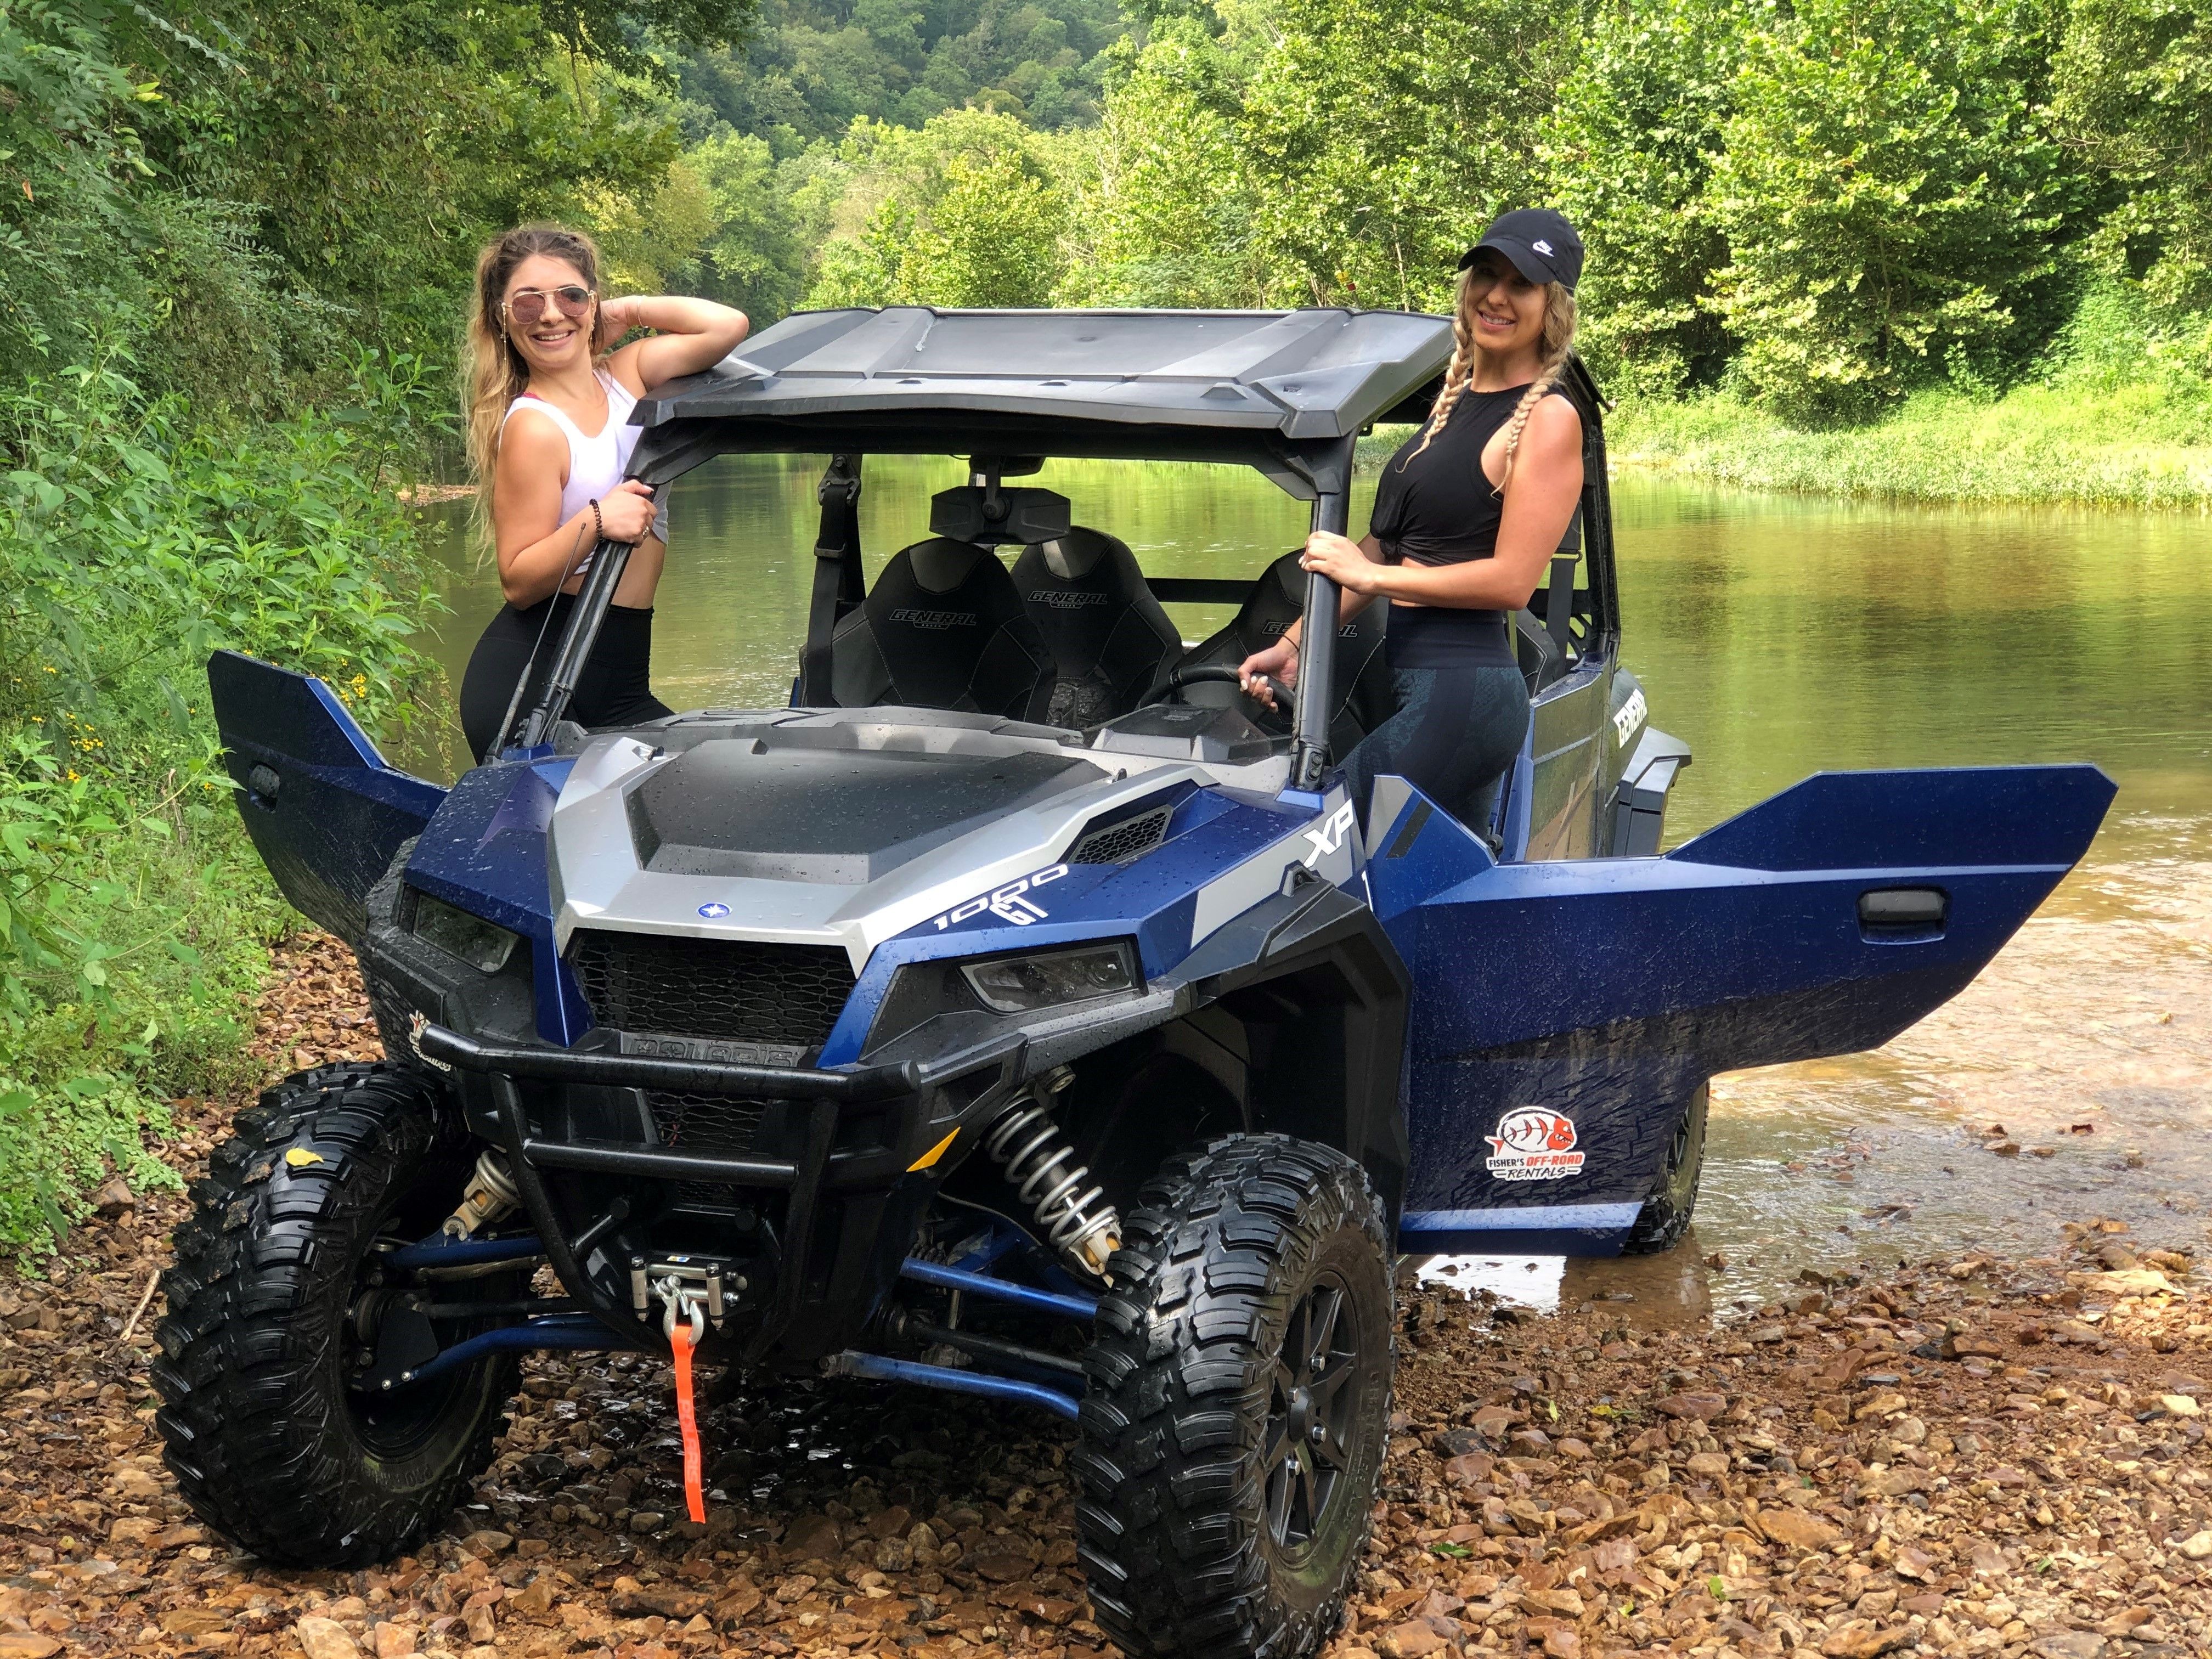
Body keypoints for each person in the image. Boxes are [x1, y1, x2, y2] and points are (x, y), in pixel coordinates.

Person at [1239, 208, 1587, 836]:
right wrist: (1294, 646)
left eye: (1522, 284)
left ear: (1553, 307)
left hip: (1467, 697)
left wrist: (1373, 580)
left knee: (1320, 840)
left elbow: (1511, 582)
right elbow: (1383, 546)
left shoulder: (1546, 420)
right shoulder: (1452, 406)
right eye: (1487, 273)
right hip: (1424, 692)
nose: (1497, 296)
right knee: (1434, 891)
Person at [456, 225, 751, 761]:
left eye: (569, 296)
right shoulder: (534, 427)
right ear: (502, 318)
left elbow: (728, 327)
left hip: (619, 683)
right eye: (527, 304)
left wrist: (628, 311)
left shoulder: (630, 375)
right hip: (536, 685)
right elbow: (518, 581)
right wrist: (597, 520)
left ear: (593, 301)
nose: (550, 315)